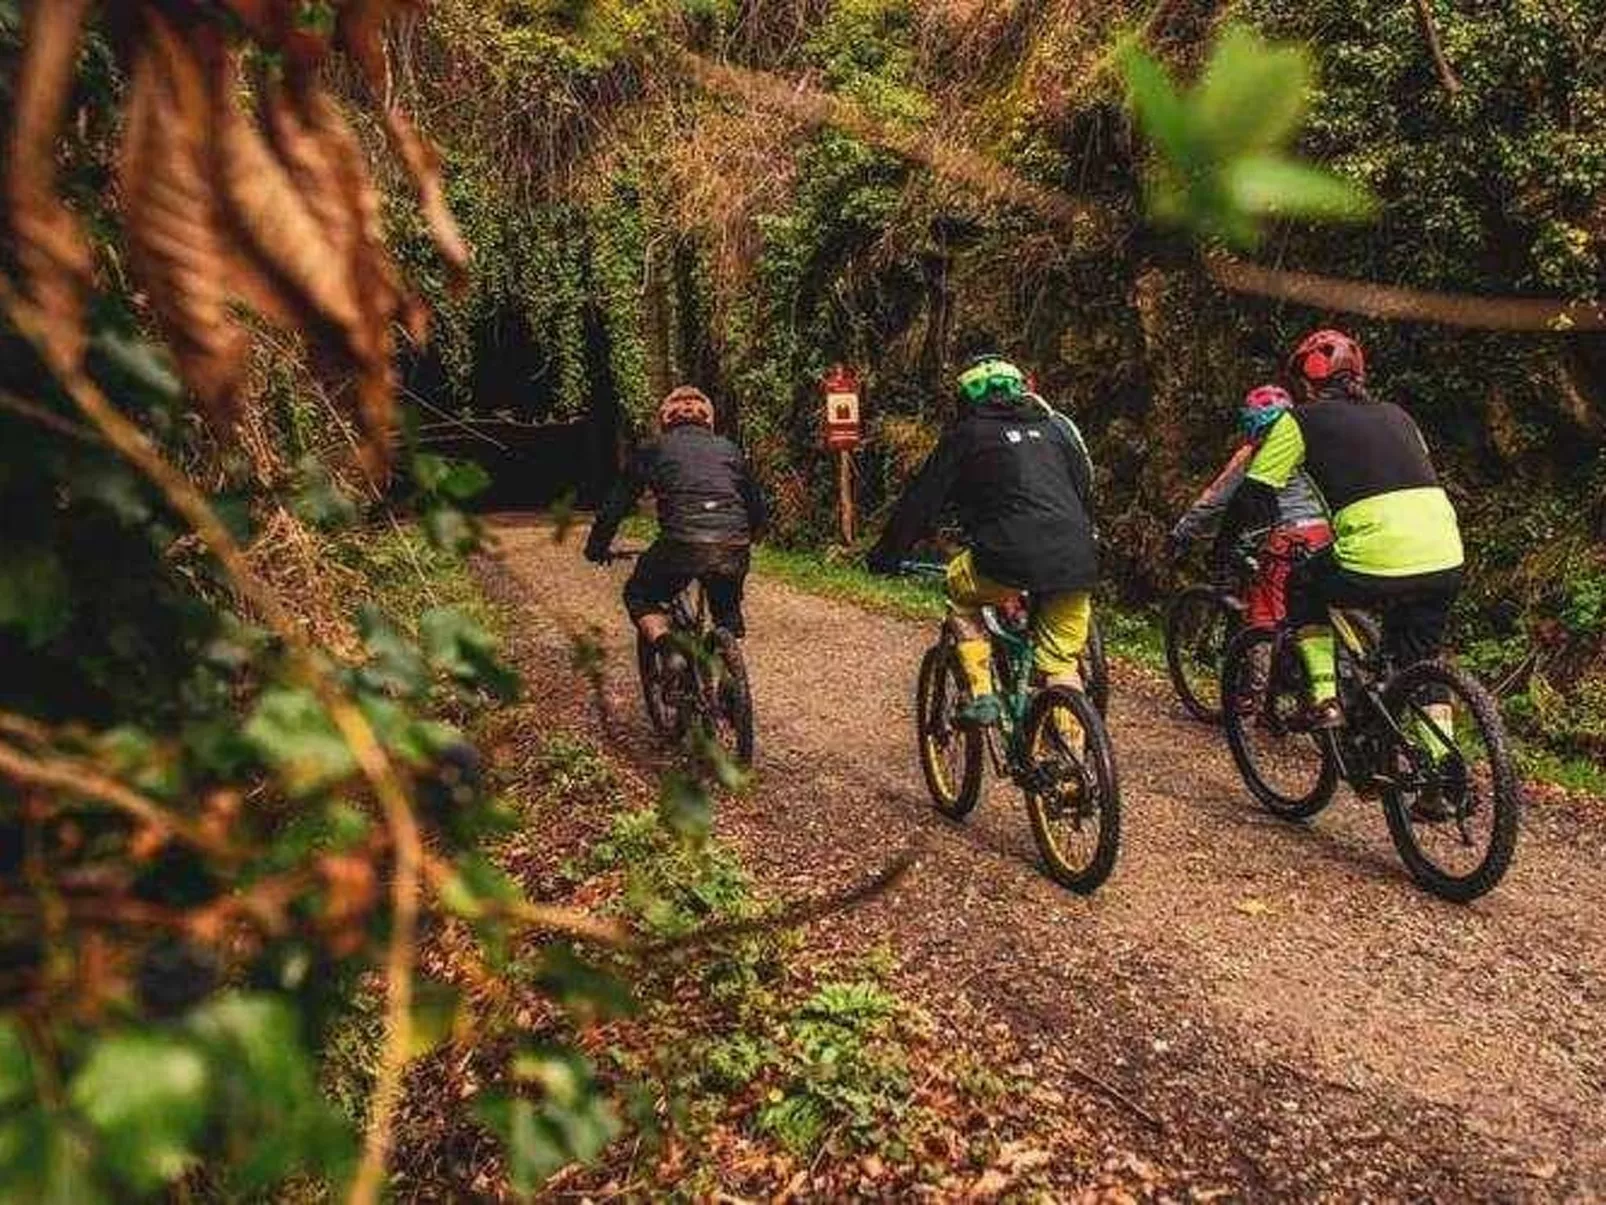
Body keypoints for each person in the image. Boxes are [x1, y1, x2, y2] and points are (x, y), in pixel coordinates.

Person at [1222, 330, 1465, 812]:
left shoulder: (1299, 421)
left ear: (1308, 384)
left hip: (1375, 554)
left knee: (1302, 585)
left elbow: (1255, 491)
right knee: (1417, 661)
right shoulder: (1400, 416)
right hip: (1444, 551)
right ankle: (1441, 775)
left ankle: (1326, 698)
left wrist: (1227, 547)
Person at [867, 352, 1098, 727]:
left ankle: (982, 695)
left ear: (967, 398)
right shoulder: (1057, 430)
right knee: (1060, 664)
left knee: (960, 596)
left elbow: (921, 501)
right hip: (1077, 559)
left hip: (1006, 557)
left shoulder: (968, 434)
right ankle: (1078, 770)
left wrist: (887, 554)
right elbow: (1082, 487)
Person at [583, 386, 767, 665]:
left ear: (665, 420)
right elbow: (755, 505)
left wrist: (597, 548)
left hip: (680, 544)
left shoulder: (652, 449)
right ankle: (729, 668)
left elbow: (615, 507)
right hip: (733, 545)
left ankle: (667, 646)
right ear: (709, 419)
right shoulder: (730, 449)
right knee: (726, 609)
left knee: (639, 595)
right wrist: (751, 536)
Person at [1169, 384, 1333, 631]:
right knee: (1317, 611)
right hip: (1328, 534)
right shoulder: (1311, 447)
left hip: (1290, 536)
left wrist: (1182, 534)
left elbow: (1215, 502)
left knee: (1266, 622)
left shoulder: (1255, 455)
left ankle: (1266, 666)